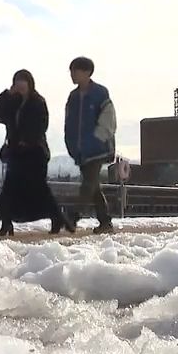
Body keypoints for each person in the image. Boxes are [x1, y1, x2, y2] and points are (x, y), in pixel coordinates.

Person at [0, 69, 74, 237]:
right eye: (17, 82)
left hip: (35, 153)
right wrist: (7, 94)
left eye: (23, 82)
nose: (20, 85)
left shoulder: (37, 102)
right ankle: (6, 223)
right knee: (9, 188)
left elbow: (42, 125)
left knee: (39, 189)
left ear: (30, 83)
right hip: (16, 152)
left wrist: (27, 140)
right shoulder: (12, 102)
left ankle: (57, 217)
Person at [64, 56, 117, 234]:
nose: (72, 75)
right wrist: (71, 144)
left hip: (97, 149)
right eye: (71, 71)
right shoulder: (73, 97)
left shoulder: (100, 93)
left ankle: (73, 216)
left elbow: (108, 120)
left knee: (88, 184)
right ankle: (105, 221)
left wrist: (98, 138)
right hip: (80, 150)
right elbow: (69, 122)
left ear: (87, 72)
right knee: (93, 187)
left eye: (75, 71)